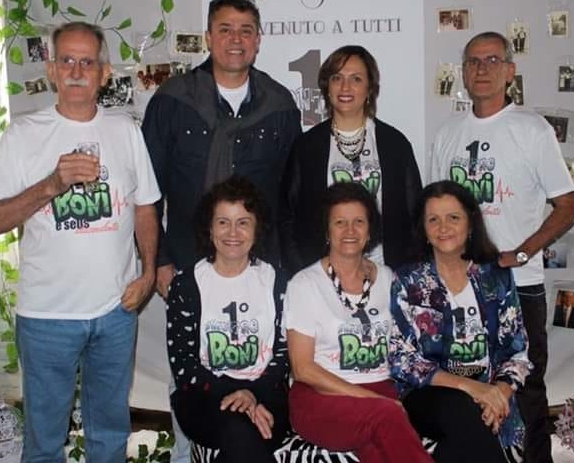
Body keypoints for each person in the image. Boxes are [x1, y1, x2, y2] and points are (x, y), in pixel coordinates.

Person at [0, 22, 160, 461]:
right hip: (47, 317)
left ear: (104, 73)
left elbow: (145, 208)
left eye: (87, 62)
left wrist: (149, 273)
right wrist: (51, 185)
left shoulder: (126, 131)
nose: (77, 71)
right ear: (52, 70)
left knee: (110, 435)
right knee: (44, 442)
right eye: (67, 61)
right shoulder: (23, 135)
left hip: (115, 312)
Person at [142, 0, 301, 460]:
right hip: (187, 264)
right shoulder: (172, 100)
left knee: (259, 380)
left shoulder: (279, 105)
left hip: (259, 270)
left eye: (246, 30)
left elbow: (289, 198)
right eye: (225, 29)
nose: (236, 39)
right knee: (191, 375)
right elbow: (146, 191)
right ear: (209, 37)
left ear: (258, 40)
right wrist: (159, 261)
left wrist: (286, 276)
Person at [431, 31, 574, 463]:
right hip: (461, 285)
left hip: (518, 285)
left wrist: (523, 252)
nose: (482, 69)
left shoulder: (532, 130)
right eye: (473, 61)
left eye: (492, 60)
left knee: (526, 388)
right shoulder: (448, 133)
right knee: (469, 384)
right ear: (463, 72)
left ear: (510, 71)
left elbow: (568, 207)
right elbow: (435, 211)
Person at [284, 182, 432, 463]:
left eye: (358, 222)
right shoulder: (304, 284)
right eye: (340, 222)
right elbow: (303, 369)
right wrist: (370, 399)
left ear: (370, 230)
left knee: (378, 451)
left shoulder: (388, 278)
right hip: (320, 396)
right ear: (327, 230)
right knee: (386, 417)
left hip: (380, 389)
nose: (349, 230)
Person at [390, 180, 531, 463]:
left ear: (470, 223)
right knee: (463, 410)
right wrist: (471, 388)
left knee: (464, 440)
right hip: (428, 395)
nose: (443, 227)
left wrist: (498, 393)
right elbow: (402, 359)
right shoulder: (408, 281)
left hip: (490, 393)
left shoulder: (496, 277)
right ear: (423, 229)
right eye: (433, 219)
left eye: (453, 217)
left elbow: (517, 351)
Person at [166, 176, 289, 462]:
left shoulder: (277, 282)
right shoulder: (186, 284)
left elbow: (285, 355)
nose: (233, 232)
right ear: (209, 228)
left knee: (245, 437)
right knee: (241, 433)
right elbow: (183, 364)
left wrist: (253, 394)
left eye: (243, 222)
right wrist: (237, 394)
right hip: (204, 398)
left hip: (267, 394)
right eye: (223, 222)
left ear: (257, 229)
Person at [279, 46, 422, 275]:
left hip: (385, 275)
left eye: (356, 79)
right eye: (337, 78)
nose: (345, 87)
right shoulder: (306, 146)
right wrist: (304, 273)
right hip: (322, 276)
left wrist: (404, 273)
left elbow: (416, 215)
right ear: (327, 87)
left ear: (370, 88)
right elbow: (286, 217)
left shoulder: (395, 144)